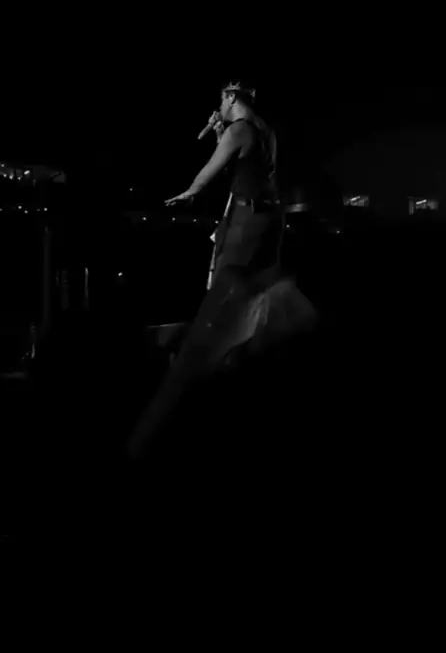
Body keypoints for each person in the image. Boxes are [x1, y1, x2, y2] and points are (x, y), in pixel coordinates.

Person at [127, 81, 317, 460]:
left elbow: (212, 169)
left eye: (221, 100)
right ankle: (248, 360)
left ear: (230, 99)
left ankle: (201, 380)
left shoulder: (239, 129)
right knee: (256, 291)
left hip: (247, 219)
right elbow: (238, 160)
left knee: (227, 290)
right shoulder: (263, 128)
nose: (219, 106)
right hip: (270, 217)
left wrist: (190, 191)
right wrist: (219, 132)